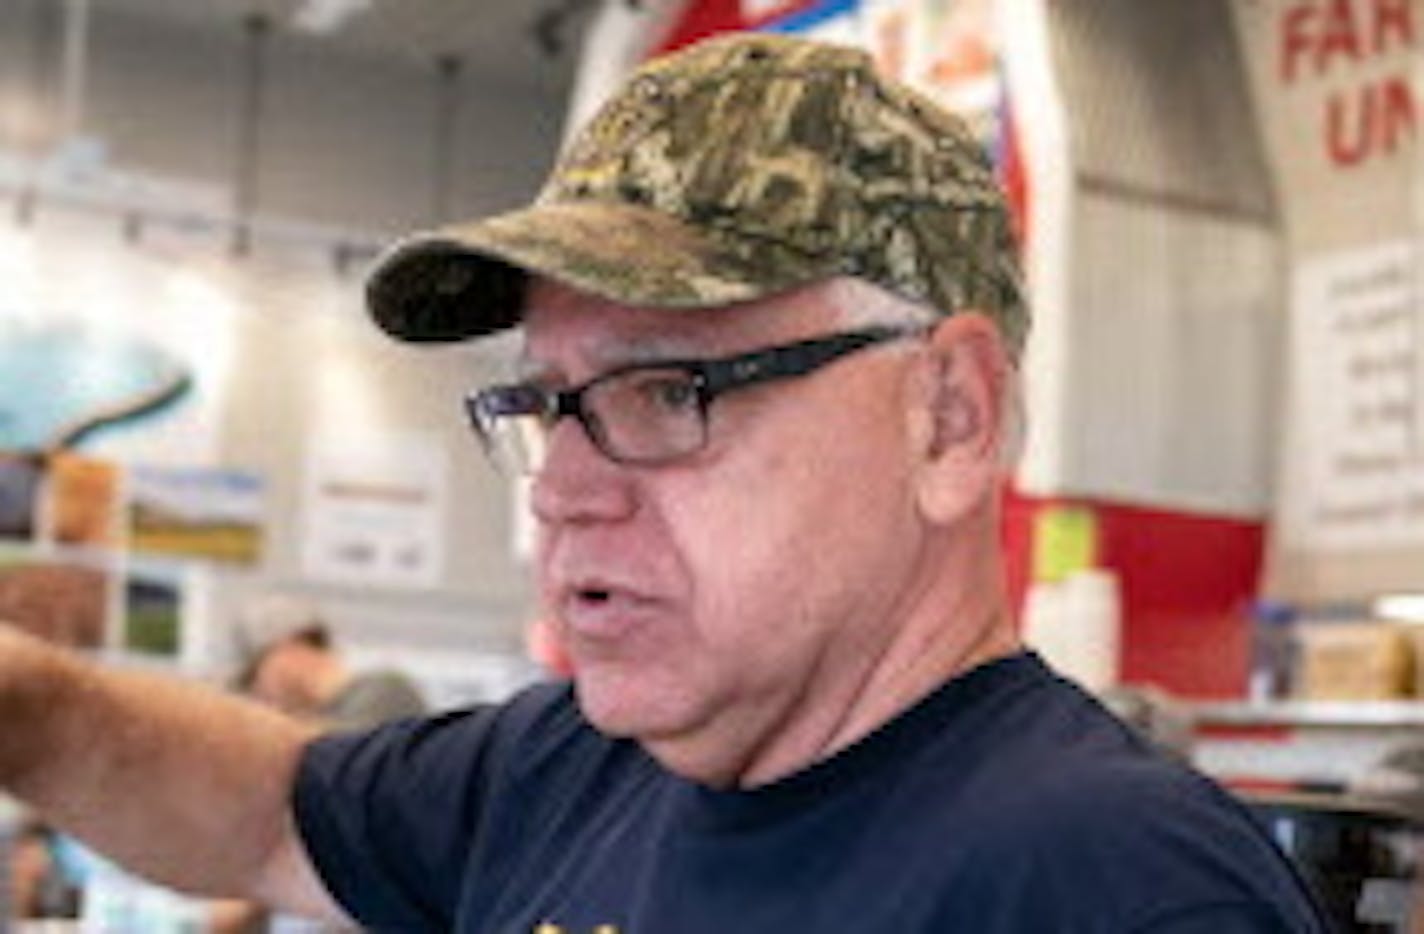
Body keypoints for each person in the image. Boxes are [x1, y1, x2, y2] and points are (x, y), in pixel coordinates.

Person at [0, 33, 1326, 932]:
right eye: (543, 403)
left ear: (951, 417)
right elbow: (268, 809)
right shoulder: (572, 767)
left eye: (662, 389)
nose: (561, 488)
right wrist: (22, 701)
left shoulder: (1112, 885)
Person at [232, 594, 427, 731]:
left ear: (282, 655)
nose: (260, 698)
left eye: (254, 680)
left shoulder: (387, 692)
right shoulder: (336, 714)